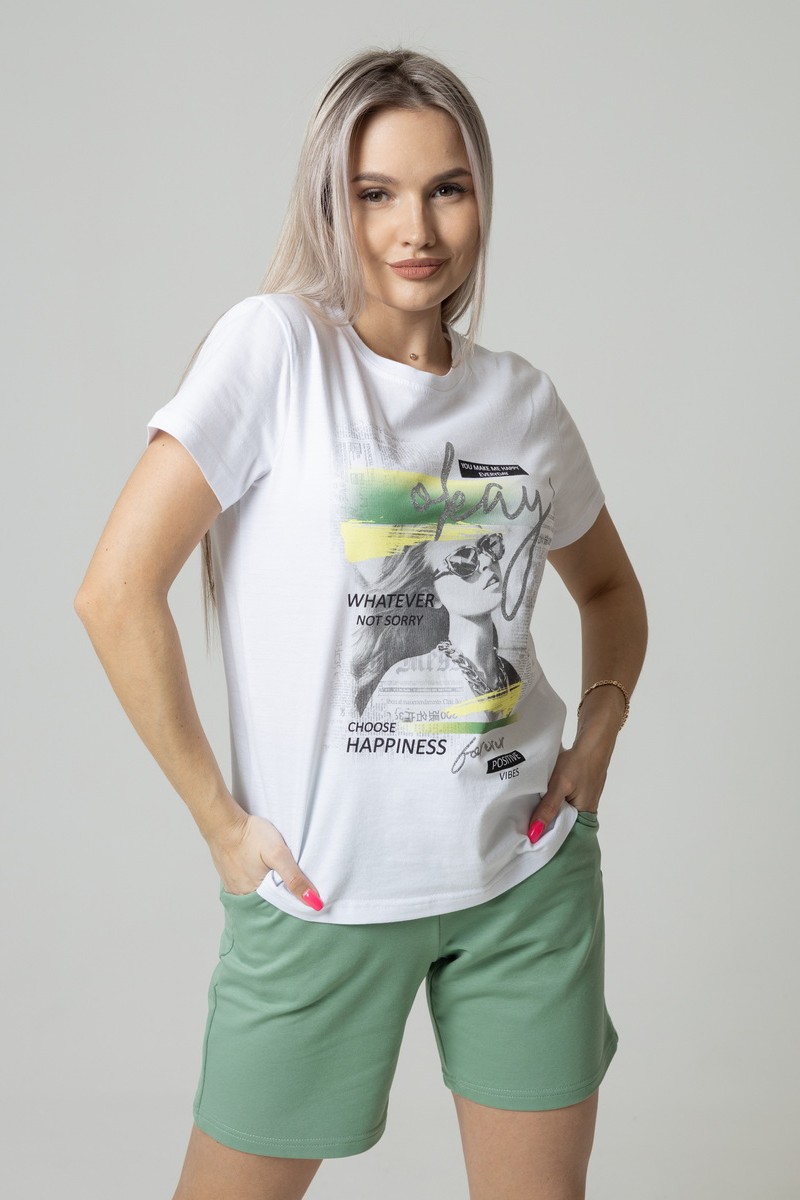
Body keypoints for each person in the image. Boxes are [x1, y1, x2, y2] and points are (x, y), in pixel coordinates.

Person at [74, 45, 648, 1200]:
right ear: (329, 204)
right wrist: (220, 825)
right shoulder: (275, 350)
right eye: (374, 192)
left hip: (524, 884)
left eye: (446, 188)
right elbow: (114, 591)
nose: (413, 228)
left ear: (481, 198)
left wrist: (594, 735)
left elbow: (609, 595)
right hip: (321, 894)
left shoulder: (521, 401)